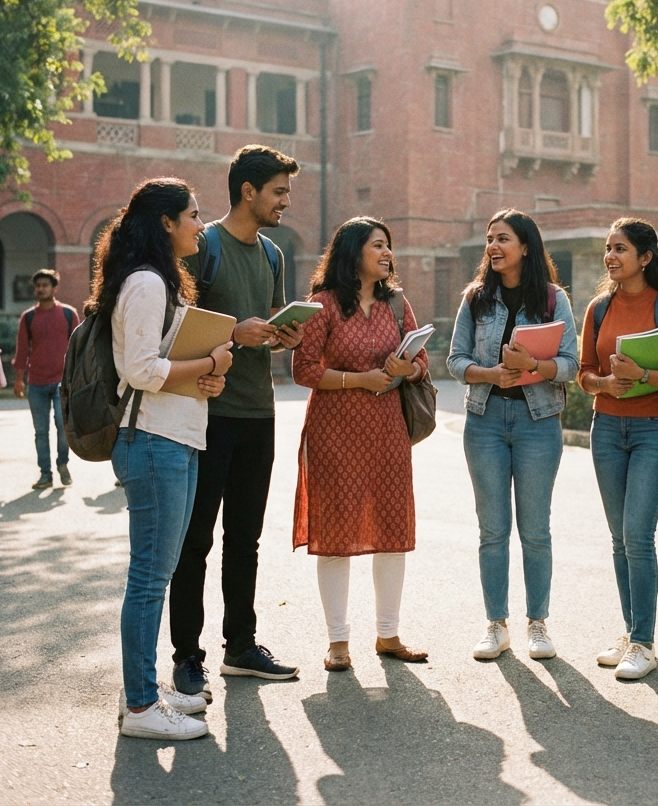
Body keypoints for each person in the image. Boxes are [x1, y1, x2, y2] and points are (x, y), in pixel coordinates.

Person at [89, 177, 233, 739]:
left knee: (158, 572)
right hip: (152, 441)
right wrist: (210, 362)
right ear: (166, 223)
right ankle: (142, 708)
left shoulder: (158, 280)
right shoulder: (147, 283)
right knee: (150, 577)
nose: (201, 224)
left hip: (172, 435)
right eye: (193, 215)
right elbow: (142, 371)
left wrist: (207, 378)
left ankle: (142, 689)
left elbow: (162, 371)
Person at [169, 145, 304, 699]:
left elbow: (261, 330)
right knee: (194, 541)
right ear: (248, 191)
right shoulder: (205, 248)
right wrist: (234, 335)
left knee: (244, 538)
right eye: (278, 192)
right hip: (209, 415)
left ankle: (241, 647)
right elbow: (177, 327)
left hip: (259, 412)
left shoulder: (272, 254)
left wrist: (282, 337)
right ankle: (186, 657)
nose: (285, 202)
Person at [292, 217, 430, 671]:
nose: (388, 253)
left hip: (388, 428)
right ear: (353, 253)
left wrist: (404, 367)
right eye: (378, 245)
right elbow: (305, 370)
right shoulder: (323, 304)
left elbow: (422, 362)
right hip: (335, 430)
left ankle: (388, 634)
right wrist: (359, 379)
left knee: (392, 527)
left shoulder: (396, 304)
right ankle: (338, 641)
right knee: (335, 531)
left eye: (389, 246)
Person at [448, 209, 579, 661]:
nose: (493, 247)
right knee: (492, 530)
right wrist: (490, 374)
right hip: (483, 421)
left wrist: (533, 368)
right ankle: (496, 624)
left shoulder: (552, 299)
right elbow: (456, 360)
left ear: (526, 246)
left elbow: (571, 365)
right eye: (489, 239)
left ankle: (537, 624)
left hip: (537, 424)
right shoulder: (476, 299)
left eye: (502, 238)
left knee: (535, 529)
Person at [578, 217, 658, 680]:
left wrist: (643, 376)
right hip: (606, 428)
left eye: (621, 249)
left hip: (655, 430)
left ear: (645, 258)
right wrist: (606, 382)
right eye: (608, 248)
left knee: (637, 536)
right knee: (618, 539)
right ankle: (631, 633)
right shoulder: (598, 310)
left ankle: (644, 643)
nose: (611, 256)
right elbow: (584, 373)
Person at [12, 269, 78, 490]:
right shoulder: (28, 317)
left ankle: (62, 464)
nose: (40, 289)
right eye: (37, 285)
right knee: (41, 432)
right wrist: (19, 379)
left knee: (63, 426)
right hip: (37, 382)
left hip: (63, 383)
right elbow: (22, 350)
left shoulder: (69, 314)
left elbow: (77, 349)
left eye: (45, 285)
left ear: (54, 288)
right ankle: (45, 474)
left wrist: (78, 378)